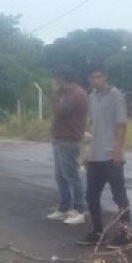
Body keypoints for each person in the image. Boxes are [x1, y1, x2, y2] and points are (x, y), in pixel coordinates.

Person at [77, 65, 132, 248]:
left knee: (119, 196)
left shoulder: (115, 95)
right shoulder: (92, 97)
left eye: (99, 77)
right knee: (91, 195)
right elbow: (90, 126)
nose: (95, 80)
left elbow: (121, 125)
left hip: (111, 155)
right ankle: (97, 231)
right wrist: (86, 152)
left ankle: (125, 235)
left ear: (106, 77)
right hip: (95, 156)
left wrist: (118, 150)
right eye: (92, 77)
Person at [46, 65, 88, 225]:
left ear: (64, 79)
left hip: (69, 140)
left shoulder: (76, 94)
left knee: (71, 176)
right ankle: (64, 208)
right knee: (60, 176)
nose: (56, 84)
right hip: (60, 139)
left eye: (58, 81)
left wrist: (55, 95)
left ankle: (78, 210)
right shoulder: (66, 93)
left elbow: (59, 111)